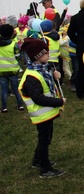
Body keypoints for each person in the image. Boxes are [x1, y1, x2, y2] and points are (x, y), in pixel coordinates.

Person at [18, 38, 66, 178]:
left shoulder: (43, 70)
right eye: (46, 53)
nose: (49, 54)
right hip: (41, 115)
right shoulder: (31, 77)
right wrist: (59, 102)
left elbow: (49, 87)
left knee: (46, 137)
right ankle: (45, 169)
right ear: (38, 56)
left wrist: (57, 77)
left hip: (47, 114)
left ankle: (37, 160)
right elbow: (38, 98)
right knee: (44, 140)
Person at [0, 24, 24, 112]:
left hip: (1, 70)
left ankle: (4, 107)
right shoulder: (14, 44)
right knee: (16, 88)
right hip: (13, 69)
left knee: (4, 89)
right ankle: (20, 105)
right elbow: (17, 55)